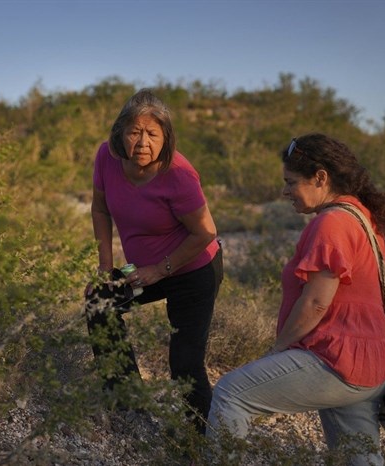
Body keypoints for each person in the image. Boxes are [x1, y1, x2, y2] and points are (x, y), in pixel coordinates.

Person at [206, 133, 385, 465]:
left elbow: (315, 304)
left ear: (320, 178)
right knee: (359, 458)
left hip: (336, 360)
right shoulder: (363, 218)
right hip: (373, 365)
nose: (284, 192)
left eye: (290, 182)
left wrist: (278, 348)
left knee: (231, 393)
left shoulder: (332, 223)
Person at [85, 89, 223, 434]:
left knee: (185, 363)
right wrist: (105, 267)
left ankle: (202, 438)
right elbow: (100, 208)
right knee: (100, 301)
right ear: (120, 134)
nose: (143, 142)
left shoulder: (178, 174)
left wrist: (158, 270)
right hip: (143, 272)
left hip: (193, 270)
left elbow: (205, 233)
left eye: (153, 134)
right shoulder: (106, 157)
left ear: (166, 138)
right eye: (135, 131)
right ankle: (127, 403)